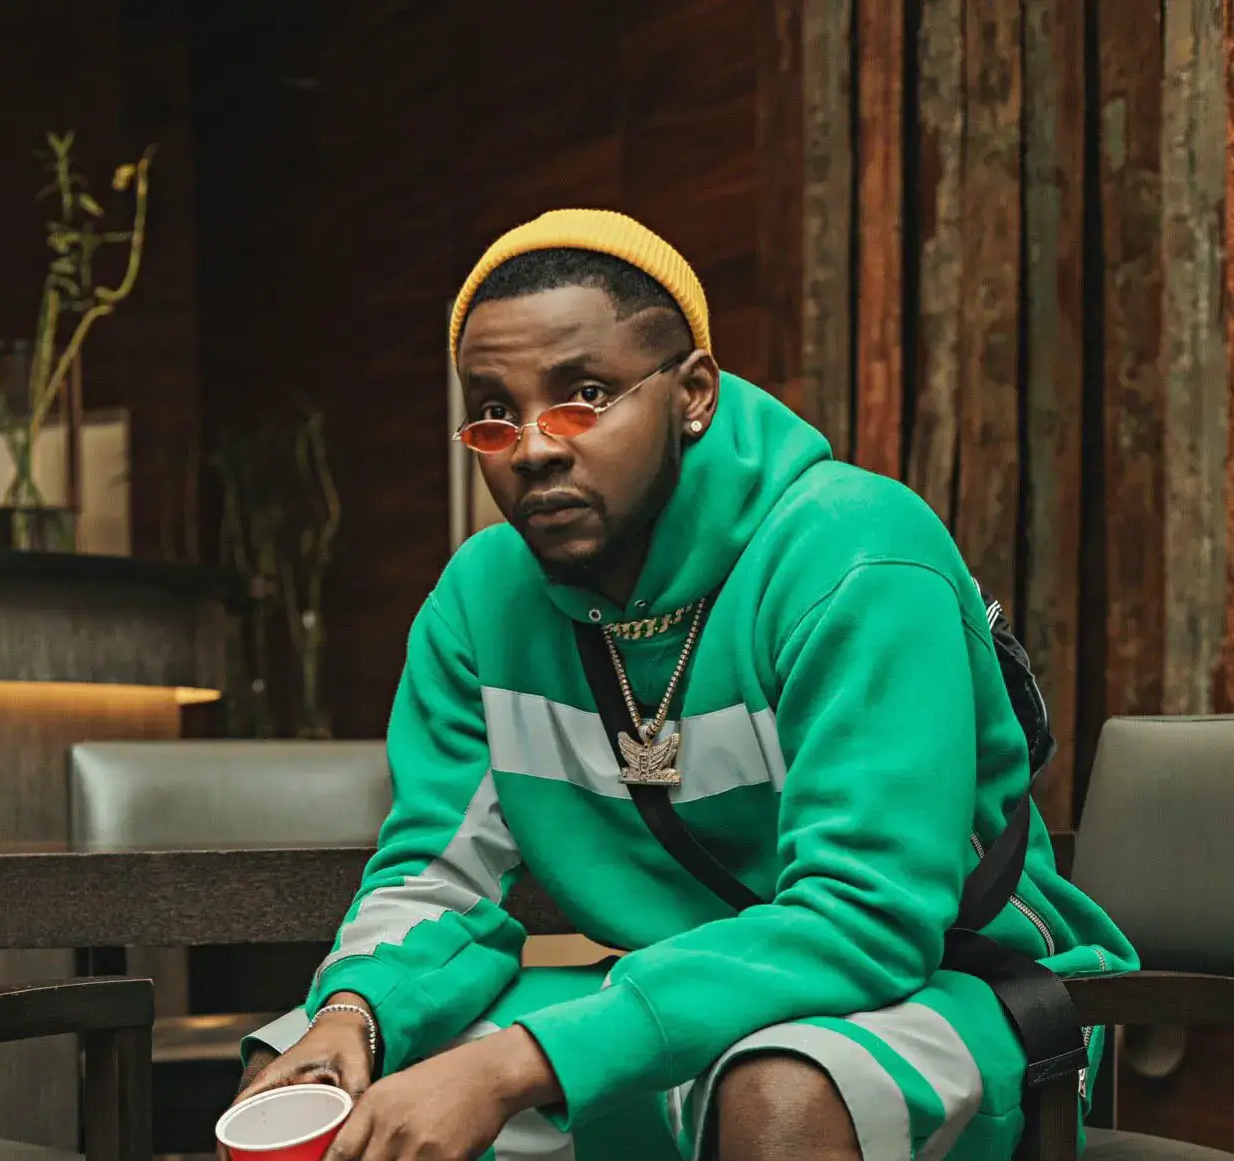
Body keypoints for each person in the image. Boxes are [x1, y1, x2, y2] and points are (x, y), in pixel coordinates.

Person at [220, 209, 1136, 1161]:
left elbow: (869, 917)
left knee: (780, 1091)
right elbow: (436, 879)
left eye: (584, 395)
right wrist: (353, 1013)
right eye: (494, 410)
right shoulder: (479, 602)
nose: (533, 447)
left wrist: (513, 1066)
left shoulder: (856, 552)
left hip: (953, 983)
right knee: (309, 1079)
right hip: (672, 995)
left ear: (694, 393)